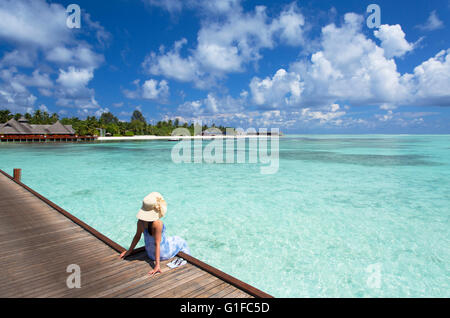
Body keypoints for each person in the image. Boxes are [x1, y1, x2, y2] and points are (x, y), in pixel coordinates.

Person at [119, 192, 190, 276]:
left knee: (171, 239)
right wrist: (157, 265)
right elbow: (157, 244)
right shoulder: (158, 223)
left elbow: (137, 237)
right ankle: (187, 259)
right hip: (163, 254)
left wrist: (129, 251)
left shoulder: (140, 222)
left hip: (150, 253)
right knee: (180, 240)